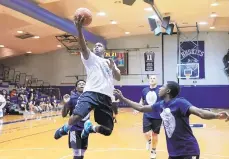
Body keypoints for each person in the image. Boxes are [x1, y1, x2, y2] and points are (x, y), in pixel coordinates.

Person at [114, 81, 229, 159]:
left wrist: (216, 115)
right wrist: (122, 98)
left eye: (162, 87)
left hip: (188, 150)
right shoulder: (160, 105)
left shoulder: (180, 102)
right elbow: (141, 107)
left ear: (168, 91)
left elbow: (199, 112)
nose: (159, 88)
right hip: (173, 152)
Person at [54, 14, 121, 140]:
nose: (96, 46)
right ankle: (65, 129)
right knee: (77, 116)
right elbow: (83, 47)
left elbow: (118, 77)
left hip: (106, 96)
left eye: (99, 45)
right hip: (91, 92)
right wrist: (79, 29)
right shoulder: (91, 58)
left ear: (104, 50)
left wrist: (113, 68)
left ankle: (90, 128)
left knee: (107, 130)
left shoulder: (110, 62)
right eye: (95, 45)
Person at [55, 80, 88, 159]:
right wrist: (65, 103)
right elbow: (64, 115)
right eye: (79, 84)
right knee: (76, 152)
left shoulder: (89, 98)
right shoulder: (72, 98)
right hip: (74, 128)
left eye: (83, 84)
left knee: (83, 151)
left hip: (85, 129)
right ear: (76, 87)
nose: (81, 85)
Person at [136, 75, 161, 158]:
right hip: (147, 114)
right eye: (151, 78)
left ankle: (153, 151)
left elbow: (164, 102)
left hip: (157, 116)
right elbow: (142, 101)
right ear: (149, 80)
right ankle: (149, 141)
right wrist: (138, 108)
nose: (152, 79)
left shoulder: (160, 91)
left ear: (156, 80)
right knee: (146, 133)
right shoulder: (145, 90)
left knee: (154, 134)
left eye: (154, 78)